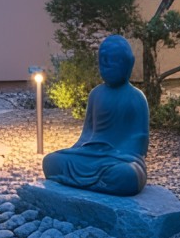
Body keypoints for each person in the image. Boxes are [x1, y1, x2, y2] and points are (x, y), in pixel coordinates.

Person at [43, 34, 149, 195]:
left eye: (113, 61)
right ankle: (101, 185)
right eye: (102, 61)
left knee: (127, 175)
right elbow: (87, 133)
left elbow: (139, 140)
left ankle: (81, 183)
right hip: (91, 153)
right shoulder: (96, 94)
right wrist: (80, 149)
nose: (106, 66)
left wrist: (116, 152)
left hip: (119, 157)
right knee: (51, 161)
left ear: (128, 64)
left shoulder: (136, 97)